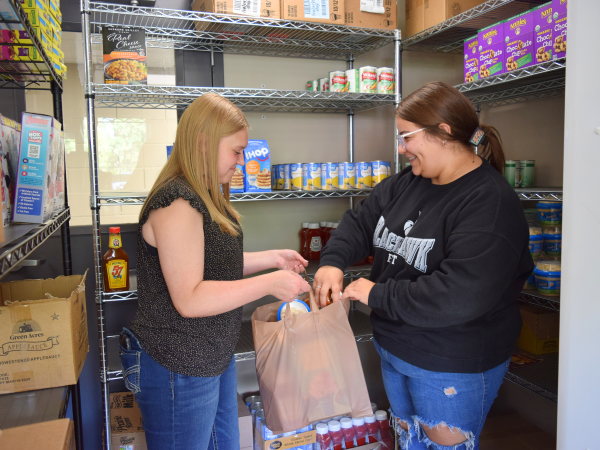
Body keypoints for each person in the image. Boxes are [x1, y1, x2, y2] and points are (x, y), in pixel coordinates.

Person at [314, 82, 533, 450]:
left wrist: (377, 293)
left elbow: (458, 295)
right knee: (409, 442)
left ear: (443, 133)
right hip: (396, 347)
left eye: (406, 137)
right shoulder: (409, 182)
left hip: (449, 361)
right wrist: (333, 262)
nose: (401, 150)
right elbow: (361, 221)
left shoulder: (489, 202)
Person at [119, 93, 311, 450]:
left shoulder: (204, 194)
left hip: (210, 356)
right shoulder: (177, 202)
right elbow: (190, 298)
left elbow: (212, 268)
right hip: (178, 363)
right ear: (204, 143)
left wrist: (274, 258)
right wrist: (270, 283)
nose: (241, 161)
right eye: (236, 151)